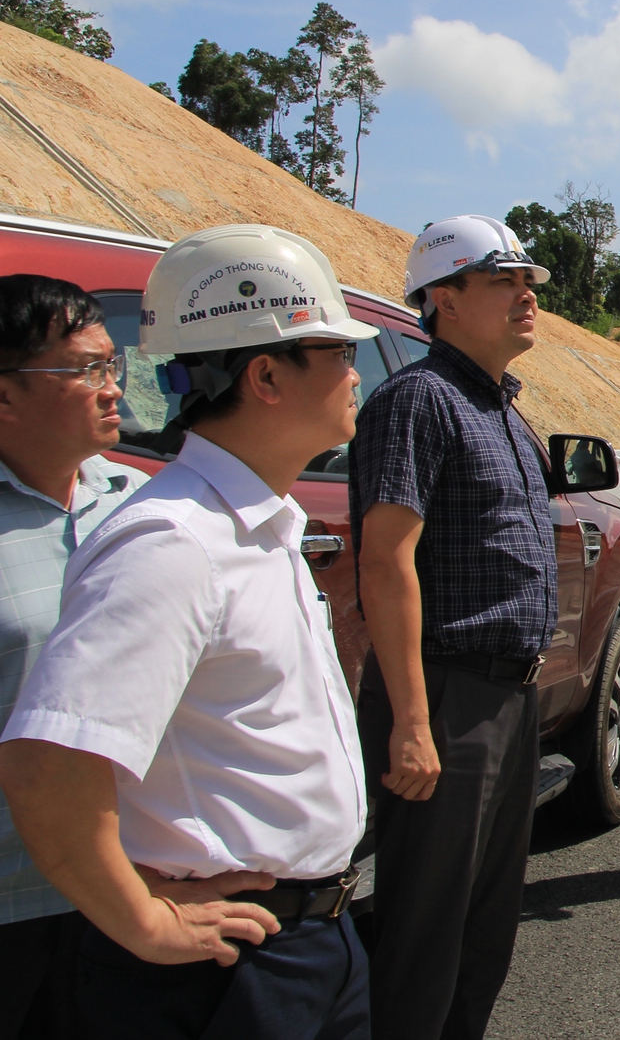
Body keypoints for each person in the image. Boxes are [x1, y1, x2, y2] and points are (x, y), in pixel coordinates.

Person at [0, 226, 378, 1038]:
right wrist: (143, 920)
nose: (355, 372)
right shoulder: (175, 543)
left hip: (310, 938)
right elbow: (46, 763)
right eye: (335, 350)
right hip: (225, 967)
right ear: (267, 375)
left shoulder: (251, 525)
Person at [348, 215, 555, 1040]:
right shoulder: (417, 401)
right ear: (444, 298)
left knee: (485, 932)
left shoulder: (502, 409)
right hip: (445, 693)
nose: (527, 296)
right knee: (424, 937)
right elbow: (386, 563)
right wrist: (410, 721)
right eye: (505, 281)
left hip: (510, 699)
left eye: (529, 282)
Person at [0, 277, 145, 1039]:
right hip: (12, 901)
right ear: (5, 395)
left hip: (125, 891)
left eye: (111, 363)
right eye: (83, 370)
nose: (112, 386)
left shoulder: (136, 503)